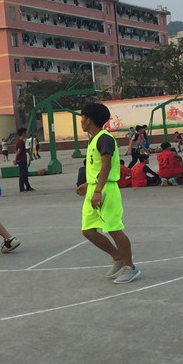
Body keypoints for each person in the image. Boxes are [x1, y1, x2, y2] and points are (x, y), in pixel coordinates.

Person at [75, 103, 139, 284]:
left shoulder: (105, 138)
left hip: (105, 190)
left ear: (89, 120)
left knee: (114, 229)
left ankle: (130, 267)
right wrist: (87, 184)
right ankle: (117, 257)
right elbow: (97, 168)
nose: (81, 122)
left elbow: (106, 166)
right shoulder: (94, 139)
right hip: (94, 188)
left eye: (82, 118)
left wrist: (97, 190)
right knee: (88, 231)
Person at [13, 128, 34, 192]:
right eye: (25, 132)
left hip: (22, 159)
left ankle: (28, 187)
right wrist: (16, 160)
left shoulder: (19, 141)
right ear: (23, 133)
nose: (26, 133)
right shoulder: (20, 142)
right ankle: (22, 188)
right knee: (23, 174)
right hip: (22, 160)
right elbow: (18, 152)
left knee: (25, 174)